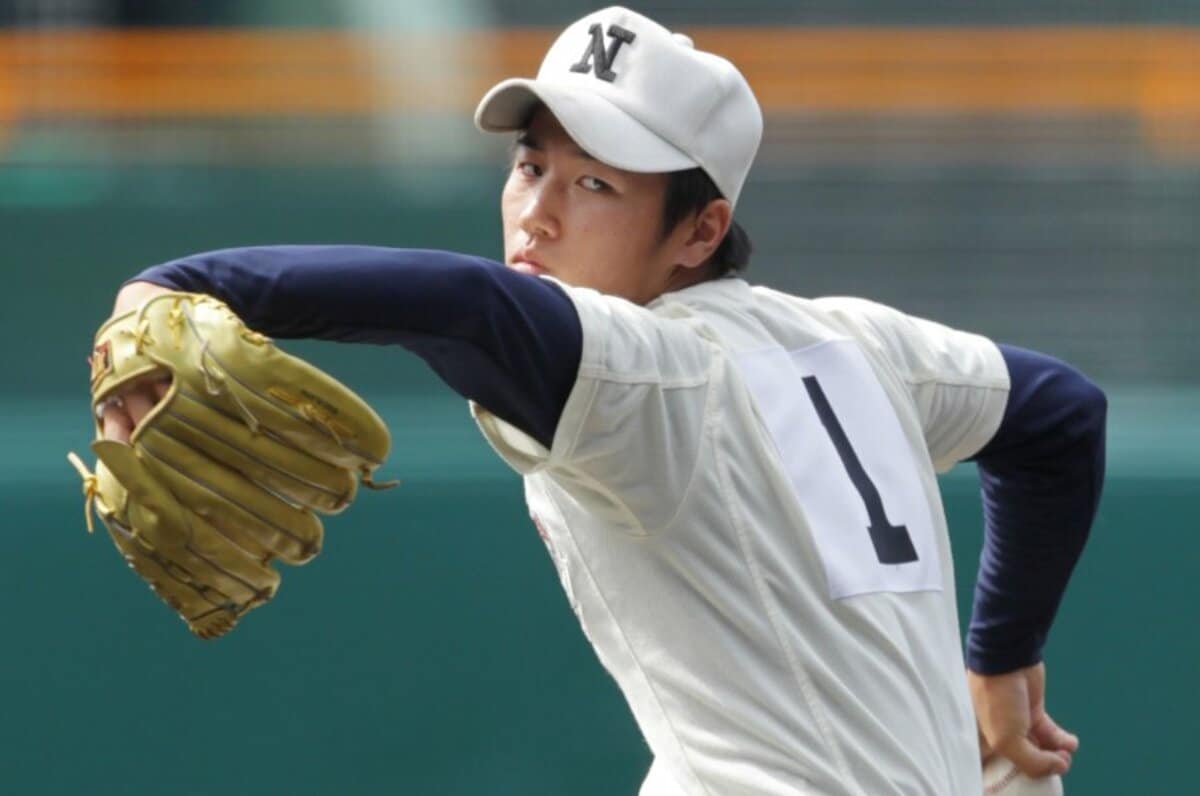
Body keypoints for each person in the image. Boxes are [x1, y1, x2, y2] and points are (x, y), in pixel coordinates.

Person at [95, 7, 1105, 794]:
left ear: (700, 231)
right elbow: (1059, 415)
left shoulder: (645, 370)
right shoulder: (856, 341)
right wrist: (1003, 655)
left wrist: (179, 283)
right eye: (532, 165)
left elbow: (471, 307)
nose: (536, 212)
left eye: (595, 186)